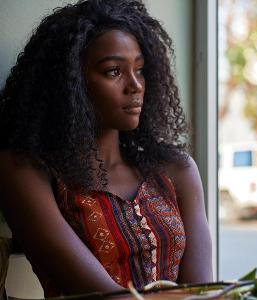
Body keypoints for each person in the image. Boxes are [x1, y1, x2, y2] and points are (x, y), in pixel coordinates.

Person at [0, 0, 212, 296]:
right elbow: (105, 296)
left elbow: (202, 291)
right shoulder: (26, 171)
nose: (135, 85)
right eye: (114, 71)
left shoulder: (176, 169)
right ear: (69, 82)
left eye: (140, 69)